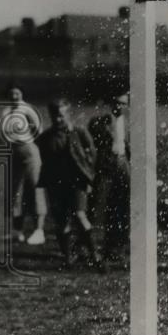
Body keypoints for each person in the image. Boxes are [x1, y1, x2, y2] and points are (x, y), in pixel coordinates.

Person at [36, 98, 103, 271]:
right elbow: (44, 161)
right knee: (62, 222)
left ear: (68, 114)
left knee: (80, 216)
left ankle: (95, 254)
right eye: (54, 116)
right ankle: (68, 258)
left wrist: (88, 177)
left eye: (61, 116)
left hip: (77, 182)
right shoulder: (45, 137)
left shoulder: (79, 132)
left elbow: (91, 155)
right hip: (56, 185)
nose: (58, 119)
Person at [0, 83, 47, 245]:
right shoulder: (6, 111)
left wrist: (32, 148)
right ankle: (17, 231)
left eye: (17, 93)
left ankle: (39, 231)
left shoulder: (28, 110)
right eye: (11, 94)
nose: (14, 97)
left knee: (34, 189)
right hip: (13, 154)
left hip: (30, 153)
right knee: (15, 192)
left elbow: (39, 132)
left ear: (22, 94)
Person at [88, 94, 130, 262]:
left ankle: (117, 246)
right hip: (105, 166)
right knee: (99, 204)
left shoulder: (128, 123)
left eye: (123, 104)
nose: (119, 107)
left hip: (123, 164)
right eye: (117, 103)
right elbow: (93, 140)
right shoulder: (101, 122)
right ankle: (91, 246)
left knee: (121, 206)